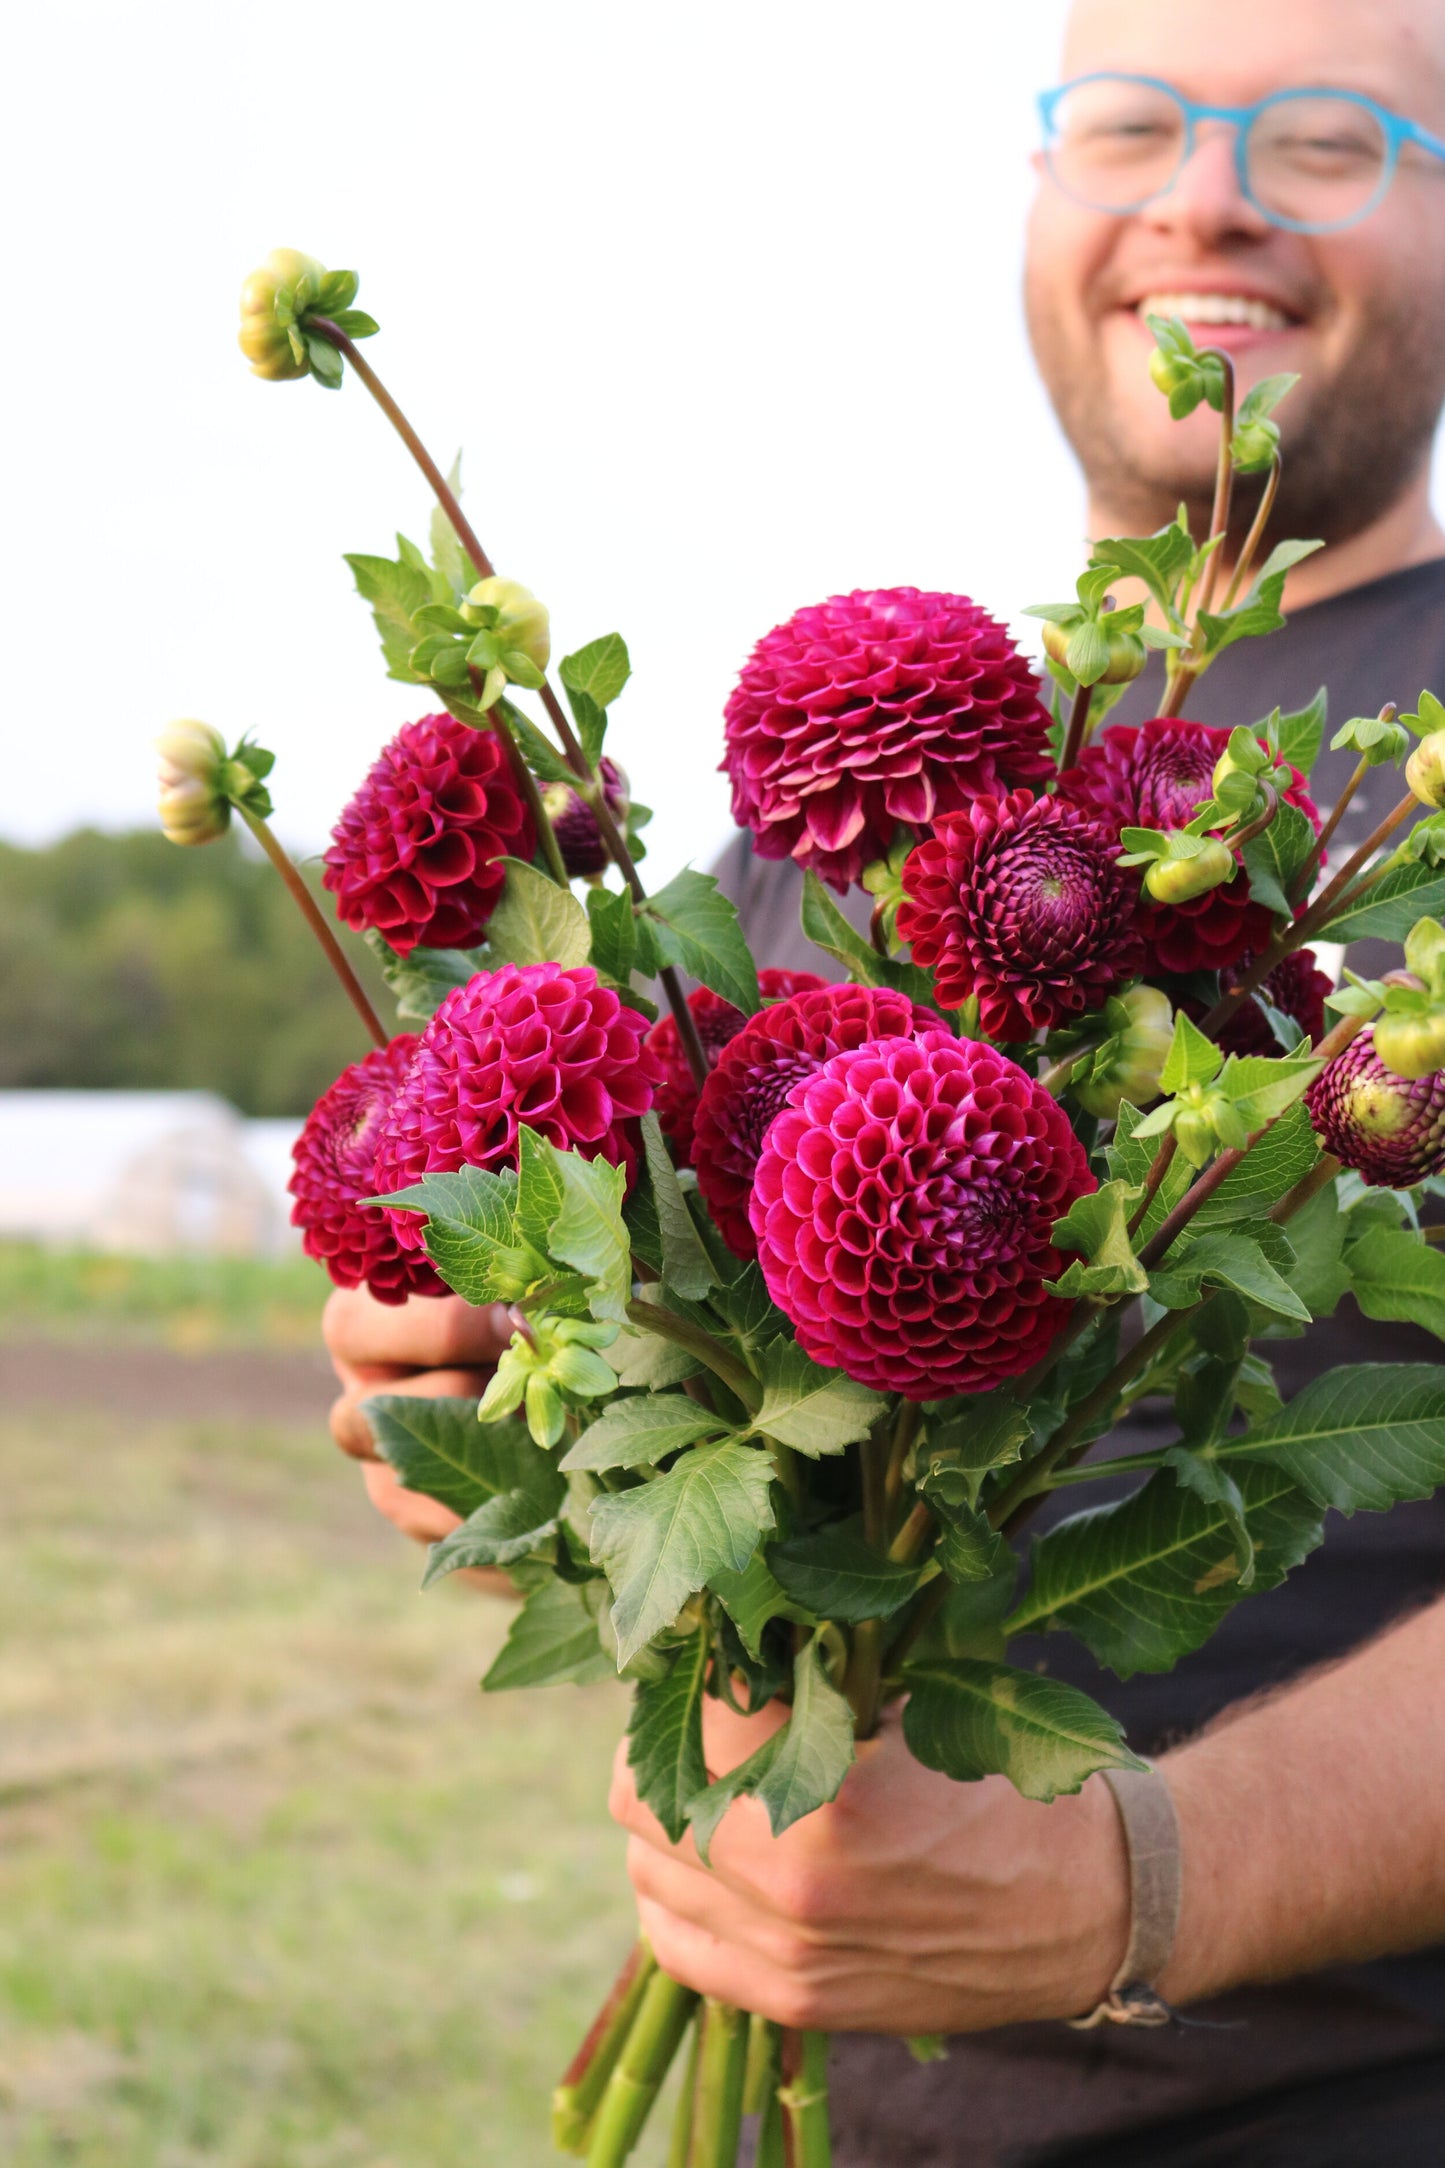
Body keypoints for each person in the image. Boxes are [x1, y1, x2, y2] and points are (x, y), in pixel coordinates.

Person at [324, 0, 1445, 2157]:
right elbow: (665, 1380)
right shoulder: (860, 794)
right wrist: (497, 1383)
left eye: (1325, 136)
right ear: (1045, 189)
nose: (1207, 193)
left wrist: (1140, 1881)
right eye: (1133, 123)